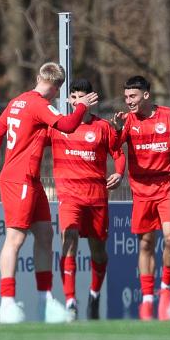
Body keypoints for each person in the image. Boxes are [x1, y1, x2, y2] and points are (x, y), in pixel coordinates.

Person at [0, 62, 98, 324]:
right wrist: (81, 107)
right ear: (57, 88)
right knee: (15, 238)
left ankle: (45, 301)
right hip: (18, 180)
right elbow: (67, 125)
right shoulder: (39, 105)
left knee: (44, 234)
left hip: (31, 180)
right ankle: (7, 303)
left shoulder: (17, 101)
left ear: (38, 77)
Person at [112, 76, 170, 321]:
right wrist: (117, 130)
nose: (129, 101)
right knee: (146, 244)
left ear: (146, 95)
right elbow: (114, 149)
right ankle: (147, 300)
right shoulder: (127, 120)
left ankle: (166, 289)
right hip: (141, 191)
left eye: (133, 96)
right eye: (126, 97)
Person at [48, 79, 125, 320]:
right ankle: (71, 301)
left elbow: (118, 154)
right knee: (69, 238)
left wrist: (119, 173)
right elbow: (33, 141)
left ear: (91, 98)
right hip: (69, 197)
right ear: (68, 99)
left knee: (98, 252)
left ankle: (94, 295)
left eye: (82, 97)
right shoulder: (57, 126)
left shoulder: (102, 127)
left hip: (96, 199)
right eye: (73, 97)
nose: (77, 101)